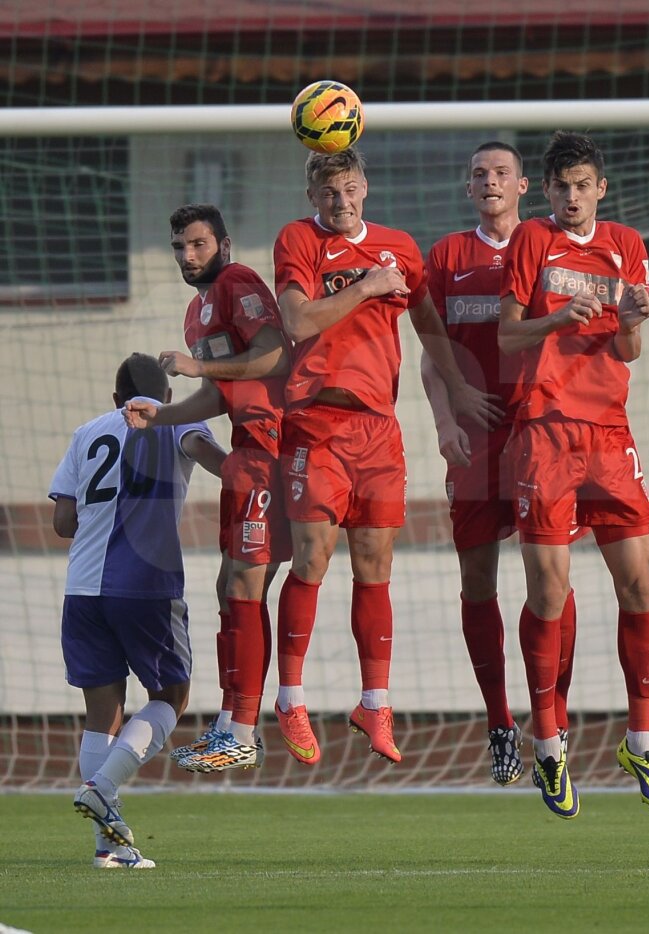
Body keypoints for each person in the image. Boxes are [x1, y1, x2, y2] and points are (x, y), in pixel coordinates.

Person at [272, 147, 493, 767]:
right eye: (327, 193)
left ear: (364, 187)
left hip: (379, 430)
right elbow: (297, 319)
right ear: (312, 197)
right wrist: (368, 285)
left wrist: (457, 386)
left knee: (375, 564)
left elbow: (426, 323)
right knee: (313, 556)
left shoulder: (400, 246)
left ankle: (375, 702)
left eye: (348, 189)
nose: (339, 202)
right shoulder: (299, 240)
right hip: (317, 421)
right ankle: (291, 699)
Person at [498, 130, 649, 819]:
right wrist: (556, 317)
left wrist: (631, 322)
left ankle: (642, 739)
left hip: (608, 432)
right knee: (549, 593)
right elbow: (507, 334)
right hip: (545, 431)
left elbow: (629, 348)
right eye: (562, 186)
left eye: (583, 185)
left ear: (601, 188)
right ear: (547, 190)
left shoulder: (626, 244)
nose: (572, 197)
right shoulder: (530, 243)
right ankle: (547, 744)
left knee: (640, 584)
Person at [421, 141, 578, 786]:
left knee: (552, 578)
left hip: (541, 429)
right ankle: (498, 722)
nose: (490, 182)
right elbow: (433, 355)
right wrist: (446, 419)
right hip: (478, 436)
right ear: (468, 189)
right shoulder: (447, 257)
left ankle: (555, 719)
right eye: (480, 174)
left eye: (502, 173)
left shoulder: (550, 245)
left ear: (523, 188)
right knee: (478, 580)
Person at [125, 203, 292, 773]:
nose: (187, 256)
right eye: (178, 246)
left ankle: (245, 727)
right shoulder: (197, 312)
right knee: (231, 587)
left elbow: (273, 355)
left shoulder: (239, 281)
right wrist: (160, 416)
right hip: (248, 451)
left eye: (197, 244)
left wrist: (197, 370)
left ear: (222, 242)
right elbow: (219, 394)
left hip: (275, 446)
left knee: (244, 584)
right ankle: (233, 724)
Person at [52, 353, 226, 868]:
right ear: (168, 398)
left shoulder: (88, 432)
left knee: (102, 714)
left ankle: (109, 847)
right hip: (146, 585)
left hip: (82, 589)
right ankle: (103, 787)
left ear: (114, 399)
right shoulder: (175, 423)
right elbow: (221, 464)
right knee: (170, 695)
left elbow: (63, 521)